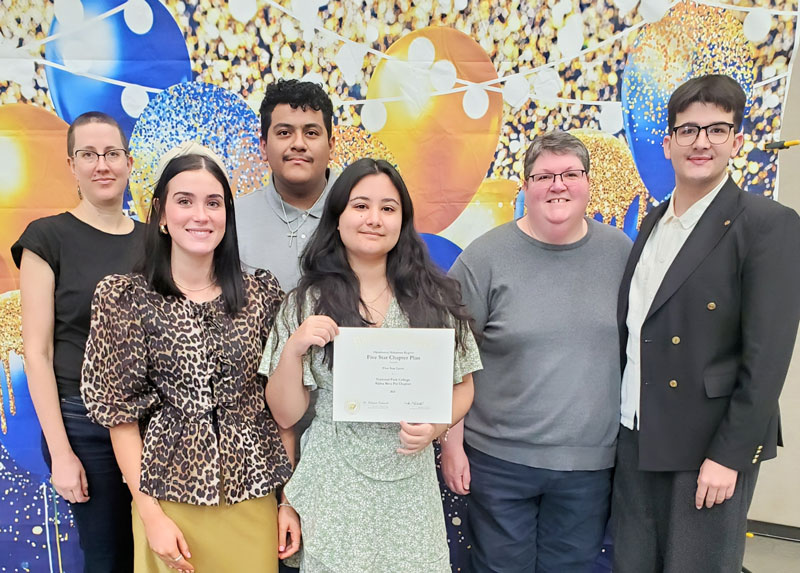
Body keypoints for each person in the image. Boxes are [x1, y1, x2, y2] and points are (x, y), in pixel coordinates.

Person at [612, 74, 800, 572]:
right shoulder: (651, 224)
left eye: (717, 129)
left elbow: (767, 358)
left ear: (737, 140)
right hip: (637, 431)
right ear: (668, 143)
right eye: (688, 130)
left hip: (707, 445)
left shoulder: (766, 225)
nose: (701, 142)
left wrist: (730, 456)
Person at [80, 143, 297, 572]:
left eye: (213, 203)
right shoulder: (124, 298)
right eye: (185, 201)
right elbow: (120, 419)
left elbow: (281, 410)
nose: (201, 215)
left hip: (253, 496)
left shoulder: (261, 295)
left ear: (226, 216)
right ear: (161, 214)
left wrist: (286, 499)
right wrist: (151, 515)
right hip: (168, 500)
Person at [261, 157, 482, 572]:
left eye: (388, 208)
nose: (374, 219)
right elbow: (285, 414)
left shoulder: (434, 299)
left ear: (403, 221)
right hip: (333, 487)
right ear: (338, 216)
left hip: (408, 489)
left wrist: (435, 427)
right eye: (360, 206)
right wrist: (293, 349)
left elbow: (464, 385)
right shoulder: (305, 302)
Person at [444, 131, 632, 572]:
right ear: (525, 187)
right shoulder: (484, 257)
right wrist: (452, 444)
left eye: (570, 173)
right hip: (498, 462)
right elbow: (451, 354)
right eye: (543, 175)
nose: (558, 185)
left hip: (588, 465)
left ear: (588, 182)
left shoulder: (621, 252)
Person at [12, 111, 143, 573]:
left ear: (129, 162)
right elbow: (37, 352)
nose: (101, 164)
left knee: (158, 551)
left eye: (111, 153)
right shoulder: (47, 238)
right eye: (88, 154)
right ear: (72, 165)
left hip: (152, 422)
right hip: (82, 425)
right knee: (107, 556)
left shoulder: (157, 243)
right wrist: (62, 452)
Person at [235, 78, 337, 290]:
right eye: (284, 133)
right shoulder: (232, 219)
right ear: (263, 146)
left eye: (311, 133)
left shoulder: (362, 212)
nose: (298, 144)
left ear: (331, 146)